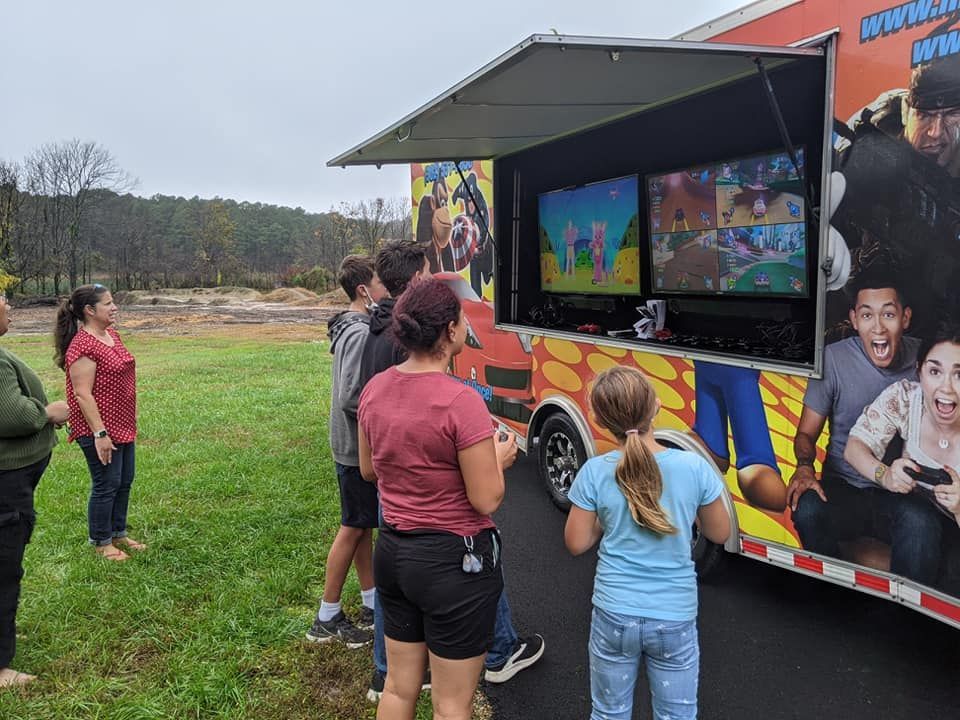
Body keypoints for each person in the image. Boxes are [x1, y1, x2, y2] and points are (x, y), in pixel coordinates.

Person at [360, 240, 544, 702]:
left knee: (399, 691)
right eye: (461, 318)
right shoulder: (462, 402)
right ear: (450, 330)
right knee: (451, 704)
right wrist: (497, 461)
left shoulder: (376, 389)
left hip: (394, 554)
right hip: (452, 563)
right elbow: (486, 500)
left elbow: (369, 471)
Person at [565, 366, 729, 720]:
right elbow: (720, 533)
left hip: (614, 613)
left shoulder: (594, 471)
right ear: (655, 406)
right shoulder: (693, 467)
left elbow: (577, 542)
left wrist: (607, 523)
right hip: (674, 617)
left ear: (598, 419)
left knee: (608, 713)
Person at [786, 270, 944, 585]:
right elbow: (806, 434)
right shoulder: (833, 359)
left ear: (906, 317)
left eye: (888, 313)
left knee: (923, 525)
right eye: (867, 315)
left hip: (905, 492)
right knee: (807, 510)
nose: (878, 327)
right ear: (854, 320)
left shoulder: (927, 362)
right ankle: (835, 594)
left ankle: (905, 618)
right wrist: (804, 467)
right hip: (844, 486)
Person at [306, 256, 387, 647]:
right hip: (357, 449)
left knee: (361, 525)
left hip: (352, 446)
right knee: (353, 526)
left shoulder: (353, 327)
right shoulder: (357, 334)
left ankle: (371, 602)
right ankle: (327, 614)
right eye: (380, 284)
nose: (385, 291)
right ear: (363, 291)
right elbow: (351, 396)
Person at [844, 320, 960, 591]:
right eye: (935, 371)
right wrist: (885, 475)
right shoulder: (906, 397)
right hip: (907, 513)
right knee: (917, 522)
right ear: (919, 371)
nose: (946, 388)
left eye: (959, 374)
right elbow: (854, 448)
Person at [0, 293, 69, 687]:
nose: (7, 302)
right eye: (1, 298)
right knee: (4, 566)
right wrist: (48, 412)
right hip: (6, 484)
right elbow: (12, 415)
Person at [54, 284, 142, 561]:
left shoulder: (111, 335)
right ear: (90, 311)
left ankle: (118, 533)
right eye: (108, 304)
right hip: (97, 428)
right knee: (106, 483)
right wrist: (99, 433)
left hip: (122, 424)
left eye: (113, 302)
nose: (114, 307)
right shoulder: (82, 345)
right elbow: (82, 393)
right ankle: (102, 541)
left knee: (124, 480)